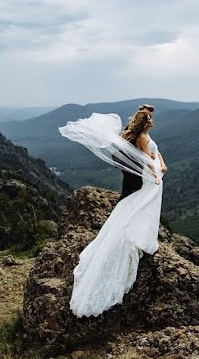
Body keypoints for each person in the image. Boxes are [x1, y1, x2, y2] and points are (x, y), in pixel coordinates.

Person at [57, 105, 168, 317]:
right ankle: (140, 235)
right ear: (144, 122)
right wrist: (156, 174)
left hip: (154, 174)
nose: (153, 120)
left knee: (143, 205)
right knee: (143, 205)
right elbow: (146, 158)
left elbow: (156, 152)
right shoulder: (142, 138)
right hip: (150, 177)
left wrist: (162, 164)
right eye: (150, 118)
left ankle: (144, 233)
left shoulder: (144, 135)